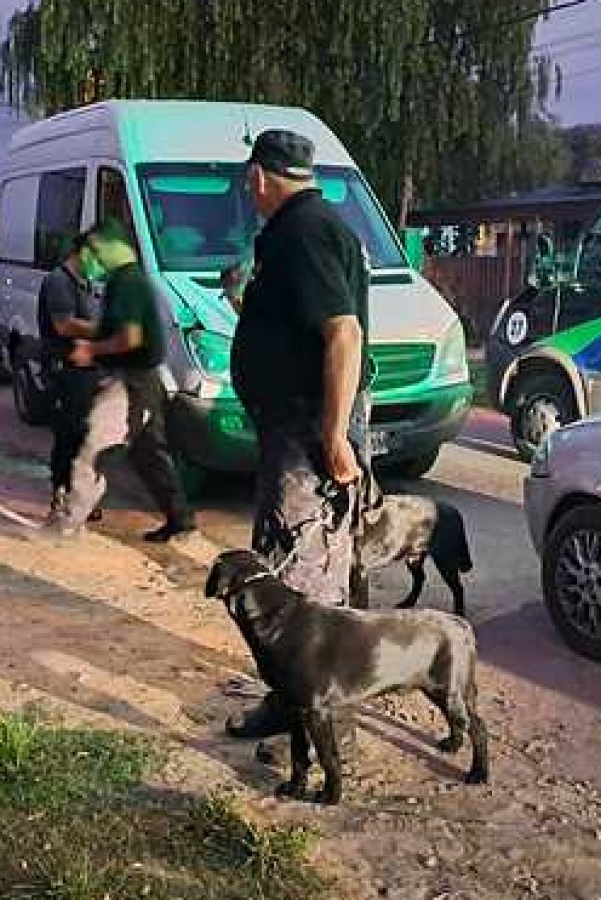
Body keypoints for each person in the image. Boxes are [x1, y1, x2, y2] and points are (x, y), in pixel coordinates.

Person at [225, 128, 372, 742]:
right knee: (290, 566)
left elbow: (344, 335)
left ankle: (325, 725)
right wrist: (246, 306)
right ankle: (291, 702)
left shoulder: (305, 232)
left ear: (260, 176)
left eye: (247, 180)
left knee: (303, 574)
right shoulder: (306, 227)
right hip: (295, 424)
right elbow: (299, 329)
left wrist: (334, 436)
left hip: (308, 430)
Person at [52, 218, 197, 543]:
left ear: (107, 247)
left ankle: (64, 528)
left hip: (133, 383)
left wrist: (92, 349)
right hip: (140, 380)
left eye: (93, 250)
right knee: (150, 456)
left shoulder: (128, 282)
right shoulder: (128, 279)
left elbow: (130, 338)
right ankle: (181, 521)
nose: (89, 258)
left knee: (96, 451)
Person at [37, 231, 103, 518]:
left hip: (88, 371)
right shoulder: (58, 282)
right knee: (68, 435)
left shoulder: (88, 284)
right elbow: (64, 325)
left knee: (88, 437)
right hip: (66, 372)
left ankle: (81, 496)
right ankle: (60, 494)